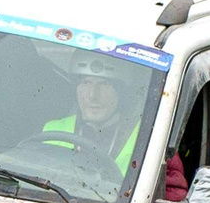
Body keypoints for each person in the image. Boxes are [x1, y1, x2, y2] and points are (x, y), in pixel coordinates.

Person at [40, 56, 148, 187]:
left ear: (121, 92)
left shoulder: (147, 137)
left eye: (104, 84)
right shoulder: (53, 129)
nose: (93, 95)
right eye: (86, 83)